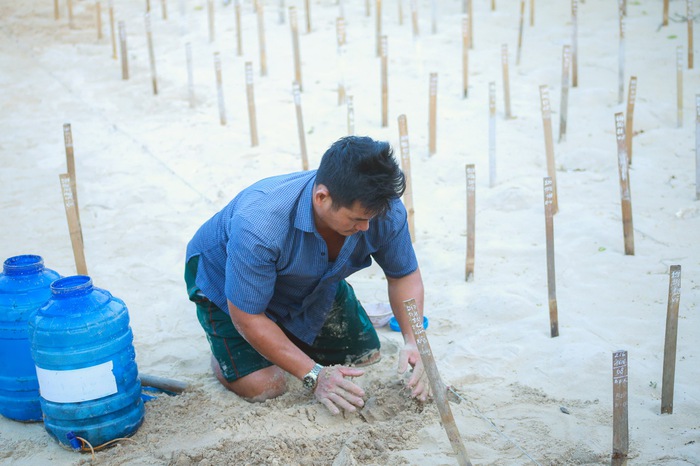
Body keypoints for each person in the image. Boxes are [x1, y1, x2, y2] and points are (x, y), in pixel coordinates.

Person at [184, 135, 427, 415]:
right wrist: (315, 375)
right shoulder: (259, 225)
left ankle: (283, 334)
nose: (366, 227)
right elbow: (247, 317)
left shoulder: (380, 208)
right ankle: (225, 355)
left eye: (371, 218)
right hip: (224, 285)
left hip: (309, 281)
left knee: (363, 355)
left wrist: (414, 340)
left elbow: (403, 276)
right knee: (268, 386)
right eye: (357, 219)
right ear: (322, 197)